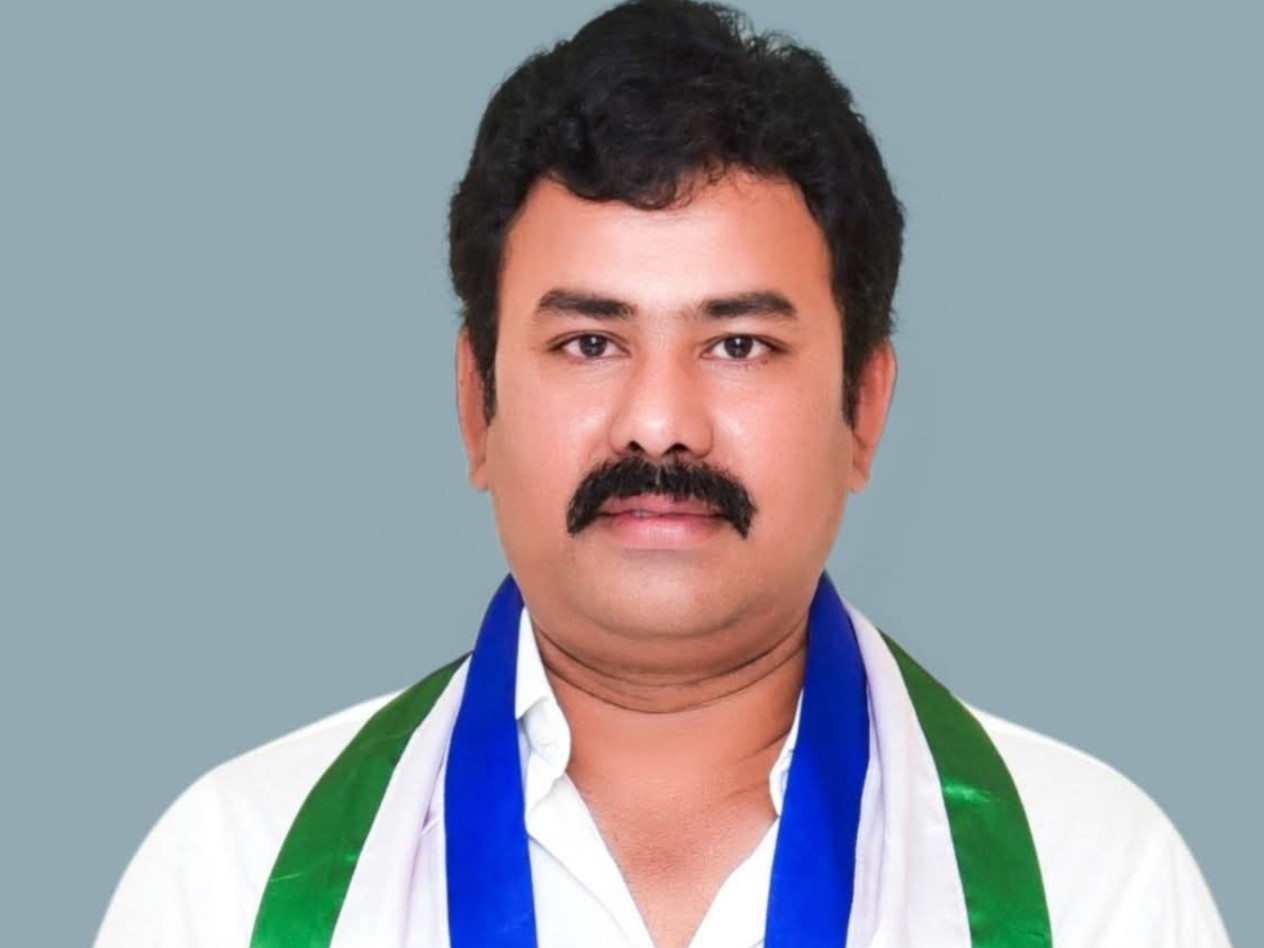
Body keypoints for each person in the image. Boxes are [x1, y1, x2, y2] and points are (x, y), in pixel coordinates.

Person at [94, 1, 1232, 946]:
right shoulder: (234, 880)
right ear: (477, 406)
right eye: (590, 342)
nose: (658, 425)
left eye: (738, 344)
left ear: (863, 409)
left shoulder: (1093, 885)